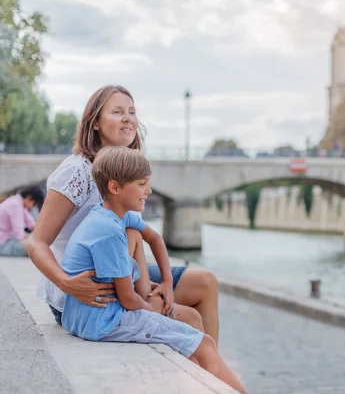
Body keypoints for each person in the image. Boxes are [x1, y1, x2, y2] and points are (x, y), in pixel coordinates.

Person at [29, 85, 220, 344]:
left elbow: (137, 238)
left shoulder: (129, 169)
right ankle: (206, 377)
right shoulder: (77, 171)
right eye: (117, 112)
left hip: (119, 275)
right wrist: (67, 282)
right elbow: (37, 242)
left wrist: (162, 282)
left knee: (206, 282)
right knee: (187, 317)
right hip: (85, 291)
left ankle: (214, 374)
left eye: (131, 111)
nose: (128, 118)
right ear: (95, 123)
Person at [60, 146, 246, 393]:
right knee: (205, 344)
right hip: (103, 322)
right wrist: (154, 311)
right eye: (142, 184)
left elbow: (155, 239)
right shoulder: (109, 232)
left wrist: (167, 283)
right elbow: (127, 300)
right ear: (115, 188)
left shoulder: (112, 215)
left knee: (191, 337)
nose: (148, 191)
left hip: (88, 316)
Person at [0, 185, 45, 257]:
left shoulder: (17, 201)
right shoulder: (15, 205)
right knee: (35, 245)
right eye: (34, 204)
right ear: (29, 198)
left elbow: (32, 224)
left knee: (37, 241)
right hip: (3, 244)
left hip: (8, 240)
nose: (33, 207)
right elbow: (18, 234)